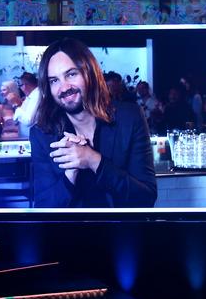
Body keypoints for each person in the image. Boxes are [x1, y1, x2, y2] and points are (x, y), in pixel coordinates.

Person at [30, 37, 157, 208]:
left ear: (89, 73)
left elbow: (145, 198)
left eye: (71, 74)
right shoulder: (42, 133)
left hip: (122, 232)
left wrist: (93, 160)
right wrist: (71, 172)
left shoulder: (129, 117)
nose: (64, 87)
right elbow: (44, 208)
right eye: (54, 80)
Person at [14, 72, 40, 137]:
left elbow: (28, 120)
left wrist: (17, 106)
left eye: (20, 85)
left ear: (25, 85)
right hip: (27, 137)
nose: (20, 88)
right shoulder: (30, 96)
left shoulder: (36, 96)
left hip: (33, 137)